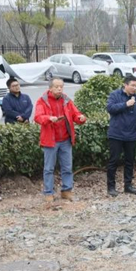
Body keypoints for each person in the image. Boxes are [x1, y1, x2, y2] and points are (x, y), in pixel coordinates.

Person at [34, 77, 87, 205]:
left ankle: (66, 190)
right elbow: (38, 117)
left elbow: (75, 114)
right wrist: (48, 118)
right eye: (57, 86)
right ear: (50, 88)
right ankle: (48, 192)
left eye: (61, 86)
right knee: (48, 168)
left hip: (65, 139)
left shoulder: (66, 100)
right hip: (50, 140)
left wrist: (81, 118)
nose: (59, 89)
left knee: (67, 167)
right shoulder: (42, 101)